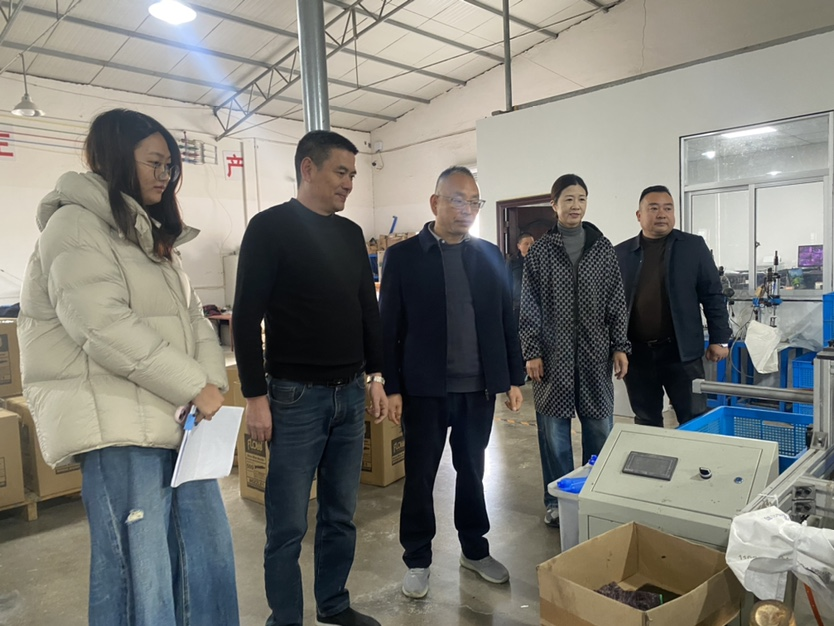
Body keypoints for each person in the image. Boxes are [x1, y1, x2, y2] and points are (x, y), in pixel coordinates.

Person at [17, 108, 239, 625]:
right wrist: (194, 384)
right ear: (116, 157)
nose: (165, 175)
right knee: (141, 575)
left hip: (180, 423)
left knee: (206, 556)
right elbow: (102, 327)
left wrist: (210, 383)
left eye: (170, 166)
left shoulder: (152, 235)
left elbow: (194, 318)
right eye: (154, 163)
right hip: (119, 430)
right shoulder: (74, 226)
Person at [233, 130, 387, 626]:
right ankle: (285, 618)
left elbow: (367, 311)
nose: (349, 183)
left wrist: (377, 375)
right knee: (287, 523)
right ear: (307, 168)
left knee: (340, 514)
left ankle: (333, 604)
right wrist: (255, 396)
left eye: (353, 175)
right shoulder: (269, 228)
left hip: (351, 394)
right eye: (341, 172)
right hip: (294, 398)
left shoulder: (350, 234)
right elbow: (244, 318)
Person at [379, 166, 524, 600]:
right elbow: (389, 328)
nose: (466, 209)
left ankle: (475, 550)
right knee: (420, 476)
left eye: (474, 202)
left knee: (473, 471)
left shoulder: (489, 256)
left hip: (477, 389)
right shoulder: (404, 257)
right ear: (435, 203)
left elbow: (505, 320)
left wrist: (512, 378)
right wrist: (391, 386)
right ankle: (417, 559)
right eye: (458, 200)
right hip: (424, 390)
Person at [519, 174, 630, 528]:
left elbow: (616, 301)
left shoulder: (602, 248)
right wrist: (532, 351)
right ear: (554, 205)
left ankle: (596, 495)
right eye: (568, 199)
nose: (576, 206)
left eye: (581, 198)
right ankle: (557, 500)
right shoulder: (540, 252)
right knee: (555, 436)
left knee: (600, 430)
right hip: (553, 359)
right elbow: (529, 306)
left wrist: (620, 346)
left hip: (595, 356)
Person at [614, 185, 730, 428]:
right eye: (654, 208)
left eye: (668, 208)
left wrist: (720, 339)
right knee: (646, 420)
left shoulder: (692, 247)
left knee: (694, 418)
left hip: (681, 353)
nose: (662, 214)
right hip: (638, 355)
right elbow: (611, 306)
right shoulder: (621, 253)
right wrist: (616, 347)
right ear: (639, 215)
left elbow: (712, 294)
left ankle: (696, 454)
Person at [507, 231, 534, 324]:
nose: (530, 246)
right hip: (518, 305)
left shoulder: (540, 262)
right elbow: (506, 283)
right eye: (526, 244)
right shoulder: (512, 262)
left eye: (532, 244)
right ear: (519, 246)